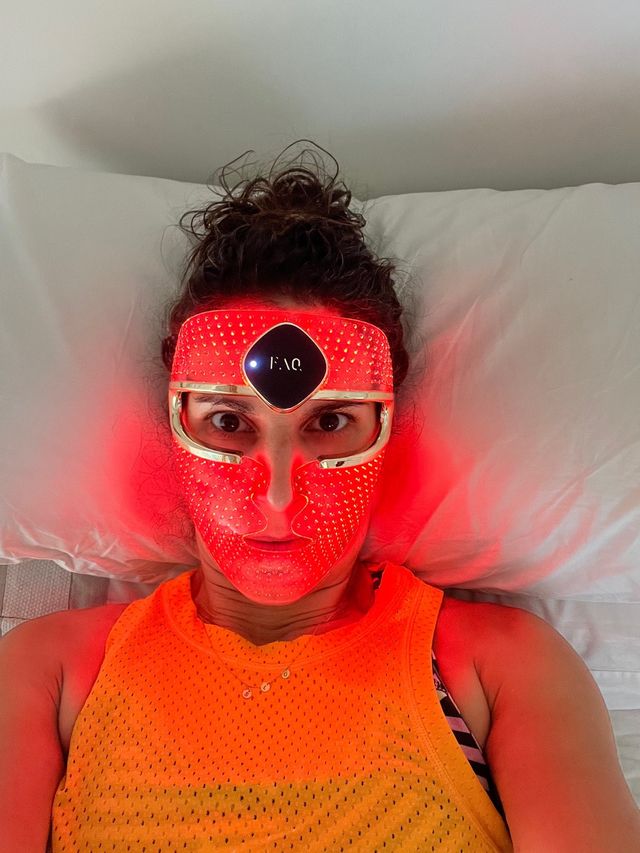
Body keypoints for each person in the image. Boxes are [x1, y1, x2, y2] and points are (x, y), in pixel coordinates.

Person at [1, 142, 639, 852]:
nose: (278, 495)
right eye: (229, 422)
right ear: (173, 424)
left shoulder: (500, 668)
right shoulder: (52, 672)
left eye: (329, 423)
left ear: (387, 426)